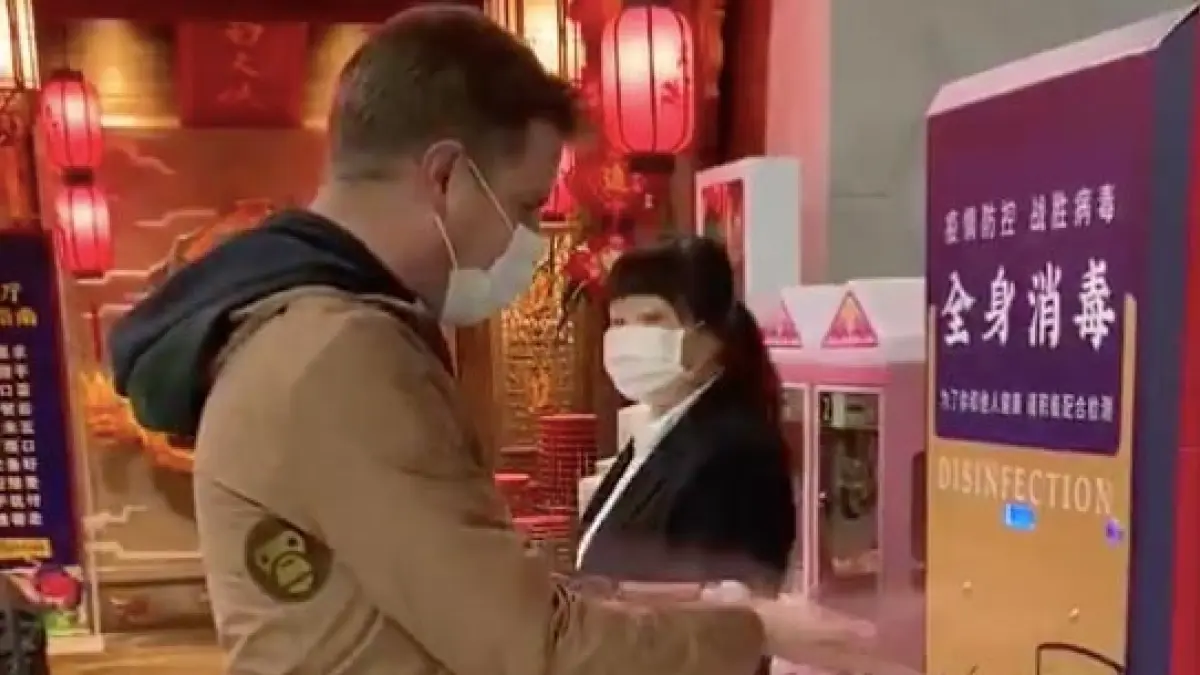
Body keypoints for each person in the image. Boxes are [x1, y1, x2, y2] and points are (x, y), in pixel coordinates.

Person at [107, 6, 870, 674]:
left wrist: (692, 607)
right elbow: (530, 647)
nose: (531, 239)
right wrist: (749, 633)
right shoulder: (339, 355)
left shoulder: (298, 328)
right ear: (445, 176)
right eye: (526, 205)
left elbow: (466, 602)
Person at [579, 235, 795, 594]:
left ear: (711, 336)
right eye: (618, 322)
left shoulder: (734, 453)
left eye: (651, 320)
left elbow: (724, 600)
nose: (629, 339)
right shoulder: (657, 431)